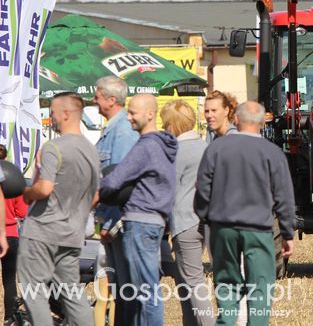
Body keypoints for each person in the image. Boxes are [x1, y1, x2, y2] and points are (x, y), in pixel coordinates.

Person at [194, 101, 296, 325]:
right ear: (262, 123)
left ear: (236, 120)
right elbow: (284, 197)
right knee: (259, 287)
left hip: (223, 227)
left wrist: (206, 216)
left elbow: (202, 188)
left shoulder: (216, 149)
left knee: (226, 285)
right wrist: (288, 233)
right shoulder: (273, 152)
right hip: (258, 229)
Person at [17, 92, 97, 326]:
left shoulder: (54, 147)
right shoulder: (92, 150)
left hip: (42, 231)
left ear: (65, 113)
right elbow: (96, 194)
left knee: (34, 290)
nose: (50, 116)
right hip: (72, 233)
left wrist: (27, 191)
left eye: (52, 111)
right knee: (72, 293)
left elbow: (44, 188)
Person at [99, 94, 178, 326]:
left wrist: (95, 193)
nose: (129, 117)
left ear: (150, 114)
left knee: (144, 292)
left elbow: (115, 180)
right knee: (143, 291)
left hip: (139, 222)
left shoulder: (146, 146)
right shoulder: (165, 145)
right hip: (154, 221)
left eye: (132, 113)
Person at [161, 100, 214, 326]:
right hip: (205, 219)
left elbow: (167, 190)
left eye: (165, 123)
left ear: (173, 125)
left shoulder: (176, 152)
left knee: (192, 282)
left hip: (184, 220)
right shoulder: (206, 147)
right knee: (186, 280)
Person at [93, 75, 139, 321]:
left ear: (111, 99)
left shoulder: (122, 132)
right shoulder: (112, 128)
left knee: (124, 289)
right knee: (118, 288)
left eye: (98, 95)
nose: (94, 100)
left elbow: (120, 183)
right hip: (109, 221)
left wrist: (110, 223)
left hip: (118, 222)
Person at [0, 144, 24, 322]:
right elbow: (22, 212)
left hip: (5, 233)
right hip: (10, 233)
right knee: (9, 280)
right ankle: (10, 318)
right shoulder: (13, 179)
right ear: (6, 158)